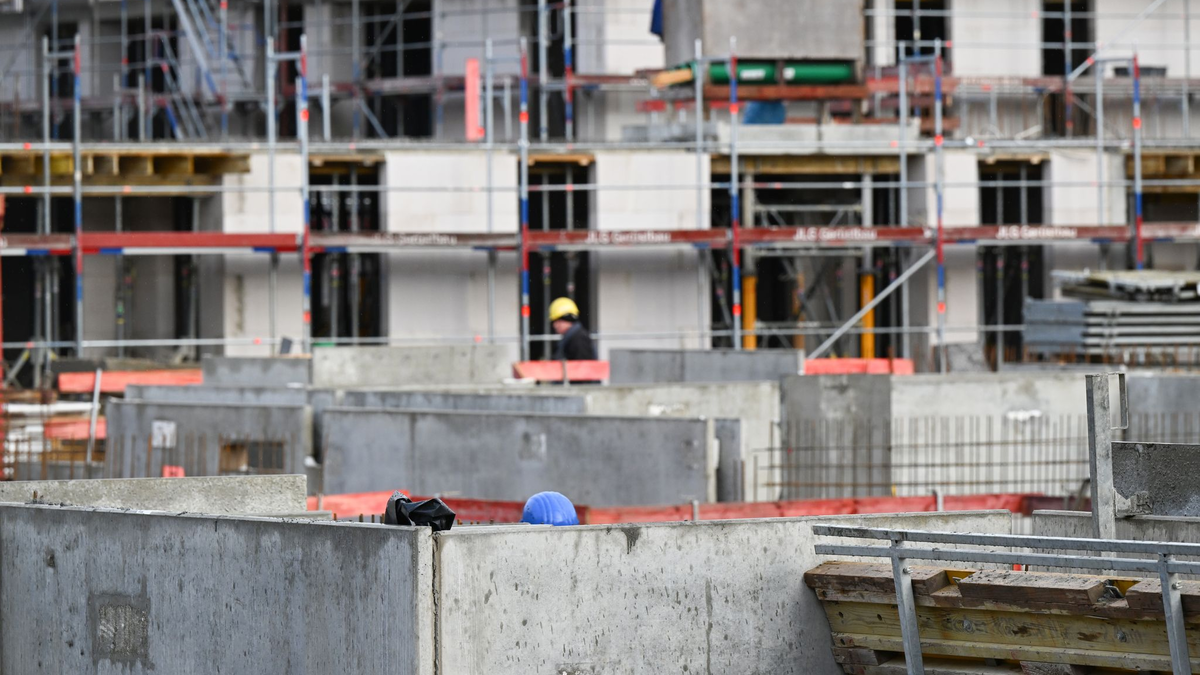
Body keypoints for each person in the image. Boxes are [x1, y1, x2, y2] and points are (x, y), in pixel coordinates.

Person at [548, 297, 596, 361]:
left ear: (567, 319)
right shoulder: (572, 337)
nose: (555, 325)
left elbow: (583, 366)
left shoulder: (579, 339)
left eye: (557, 321)